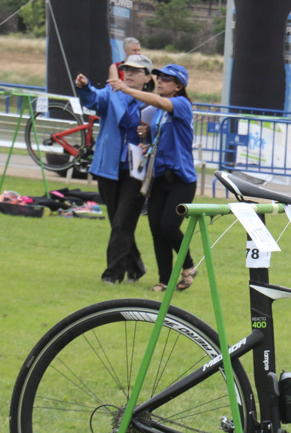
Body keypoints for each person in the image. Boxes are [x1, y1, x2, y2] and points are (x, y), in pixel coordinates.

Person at [110, 63, 198, 293]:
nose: (160, 81)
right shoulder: (156, 113)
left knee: (169, 227)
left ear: (178, 86)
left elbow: (159, 102)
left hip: (181, 180)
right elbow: (157, 141)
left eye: (167, 79)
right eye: (159, 77)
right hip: (158, 178)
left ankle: (188, 266)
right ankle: (165, 280)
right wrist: (147, 138)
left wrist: (126, 89)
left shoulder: (181, 104)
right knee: (156, 230)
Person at [74, 55, 153, 285]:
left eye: (136, 71)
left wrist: (147, 138)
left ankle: (113, 274)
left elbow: (161, 132)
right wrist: (84, 86)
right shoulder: (112, 94)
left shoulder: (153, 102)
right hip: (109, 167)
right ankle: (136, 267)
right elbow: (93, 99)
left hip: (136, 171)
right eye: (126, 69)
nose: (128, 74)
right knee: (118, 223)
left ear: (147, 77)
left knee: (122, 222)